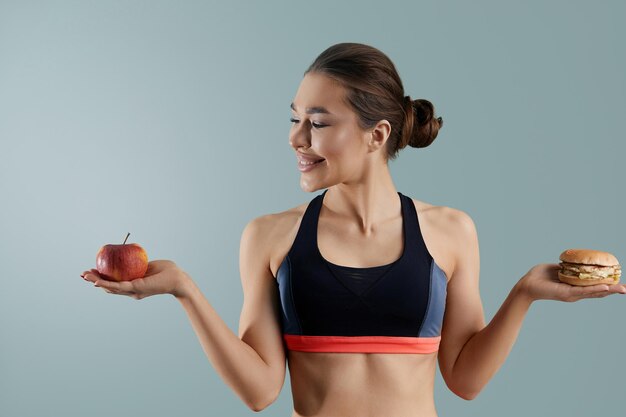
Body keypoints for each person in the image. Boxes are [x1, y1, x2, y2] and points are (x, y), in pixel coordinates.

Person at [80, 42, 626, 416]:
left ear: (376, 134)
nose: (296, 139)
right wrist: (185, 291)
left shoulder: (451, 231)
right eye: (293, 118)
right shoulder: (270, 237)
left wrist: (527, 292)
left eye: (316, 123)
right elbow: (260, 391)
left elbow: (464, 379)